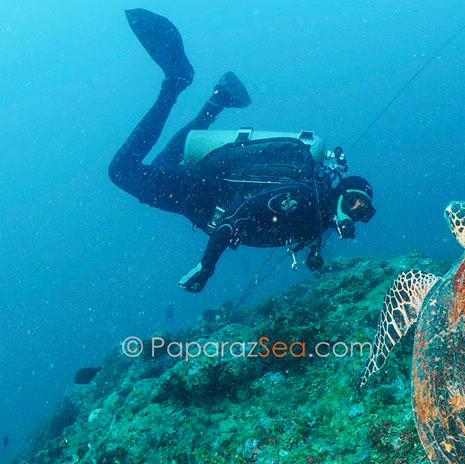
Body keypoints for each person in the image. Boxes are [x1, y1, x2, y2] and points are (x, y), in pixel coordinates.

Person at [109, 9, 376, 292]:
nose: (355, 213)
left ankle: (215, 98)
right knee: (121, 171)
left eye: (362, 211)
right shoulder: (304, 198)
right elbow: (236, 218)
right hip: (204, 196)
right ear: (341, 194)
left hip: (203, 197)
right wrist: (206, 268)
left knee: (166, 161)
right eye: (354, 203)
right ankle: (176, 83)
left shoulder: (316, 221)